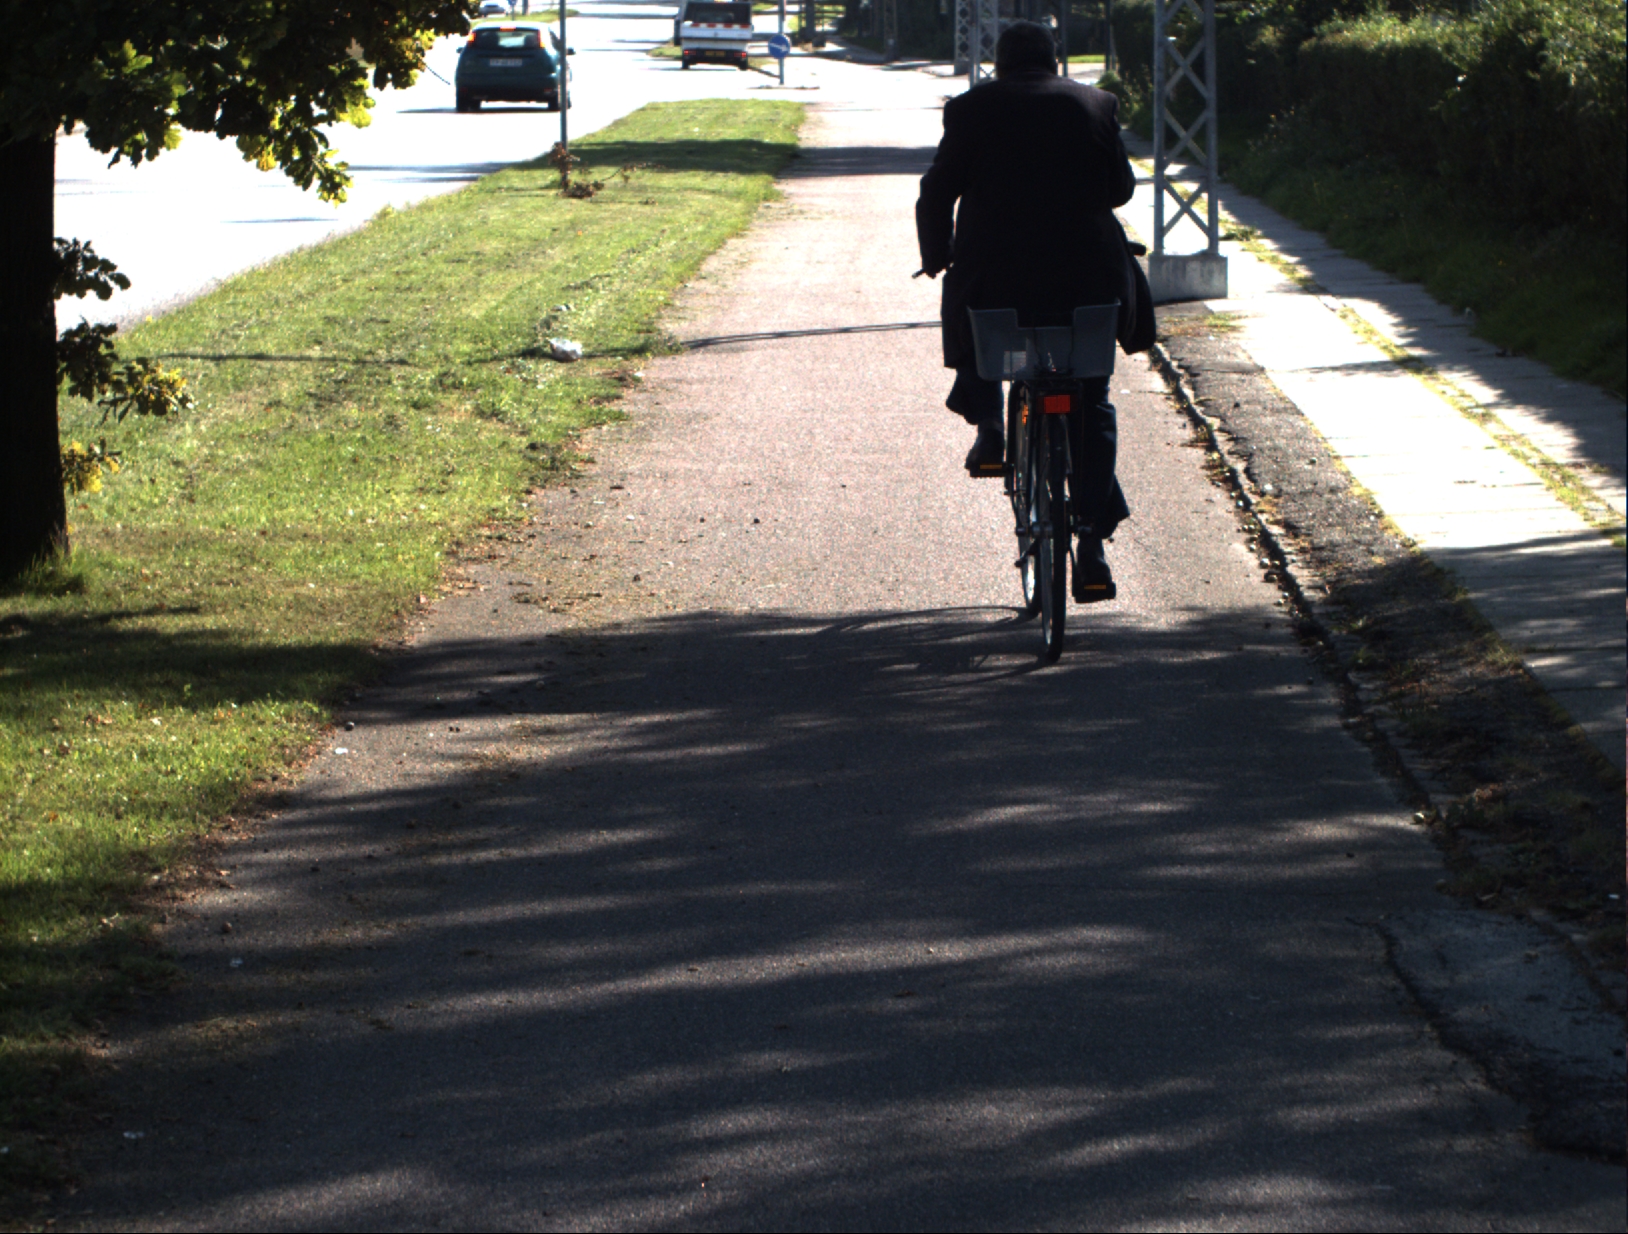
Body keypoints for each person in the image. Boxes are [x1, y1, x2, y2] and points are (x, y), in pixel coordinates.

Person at [916, 20, 1142, 601]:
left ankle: (991, 426)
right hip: (1086, 281)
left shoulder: (970, 108)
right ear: (1054, 59)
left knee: (970, 309)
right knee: (1091, 397)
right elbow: (1120, 189)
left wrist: (937, 254)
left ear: (999, 62)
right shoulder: (1096, 103)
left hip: (999, 278)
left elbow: (937, 190)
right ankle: (1090, 545)